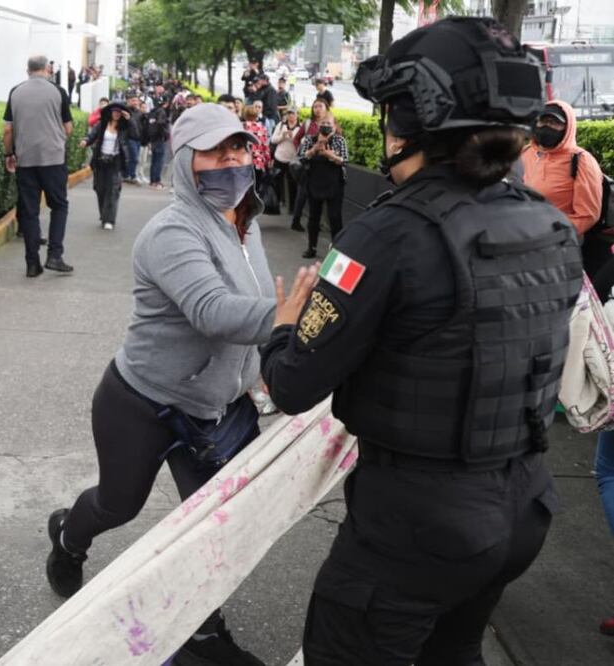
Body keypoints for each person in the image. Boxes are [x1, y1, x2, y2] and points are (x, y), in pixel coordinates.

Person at [261, 17, 579, 664]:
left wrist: (283, 328)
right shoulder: (545, 224)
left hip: (414, 526)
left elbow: (292, 386)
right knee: (454, 651)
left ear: (408, 123)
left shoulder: (388, 236)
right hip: (521, 507)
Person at [46, 102, 296, 666]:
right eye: (214, 151)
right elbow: (212, 310)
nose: (231, 160)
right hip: (143, 404)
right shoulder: (169, 231)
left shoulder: (244, 221)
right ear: (185, 161)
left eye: (237, 148)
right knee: (118, 504)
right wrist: (288, 319)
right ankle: (68, 537)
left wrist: (271, 369)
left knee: (214, 530)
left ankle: (200, 636)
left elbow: (254, 311)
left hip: (218, 412)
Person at [3, 55, 75, 277]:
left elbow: (7, 129)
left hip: (25, 160)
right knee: (59, 206)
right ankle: (54, 255)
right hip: (53, 159)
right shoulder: (58, 92)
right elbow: (69, 127)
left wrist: (10, 153)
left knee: (30, 212)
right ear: (47, 69)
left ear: (28, 70)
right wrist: (55, 141)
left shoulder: (15, 91)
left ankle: (32, 264)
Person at [521, 101, 605, 275]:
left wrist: (553, 235)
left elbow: (588, 214)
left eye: (555, 122)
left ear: (568, 127)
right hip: (524, 246)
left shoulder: (581, 160)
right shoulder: (525, 153)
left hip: (561, 249)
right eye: (542, 121)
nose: (546, 126)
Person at [80, 102, 138, 230]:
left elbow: (136, 135)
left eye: (119, 112)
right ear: (110, 113)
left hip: (115, 161)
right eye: (114, 111)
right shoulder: (102, 125)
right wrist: (85, 141)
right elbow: (92, 135)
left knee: (112, 190)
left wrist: (130, 120)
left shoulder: (124, 127)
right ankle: (104, 215)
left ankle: (109, 219)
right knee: (100, 189)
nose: (116, 114)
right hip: (100, 160)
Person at [297, 114, 347, 258]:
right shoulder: (309, 139)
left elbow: (344, 160)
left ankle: (337, 250)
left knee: (335, 217)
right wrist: (314, 150)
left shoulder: (339, 140)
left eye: (329, 123)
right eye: (323, 123)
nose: (325, 125)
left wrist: (330, 155)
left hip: (334, 184)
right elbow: (301, 157)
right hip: (314, 183)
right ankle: (311, 247)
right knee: (313, 217)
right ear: (318, 125)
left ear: (334, 125)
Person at [289, 98, 332, 232]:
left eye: (320, 106)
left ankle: (315, 222)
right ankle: (296, 220)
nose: (317, 109)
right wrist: (301, 151)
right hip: (308, 164)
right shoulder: (308, 123)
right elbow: (296, 139)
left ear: (326, 108)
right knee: (302, 193)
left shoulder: (331, 123)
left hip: (324, 164)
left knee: (318, 194)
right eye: (315, 107)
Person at [271, 108, 302, 213]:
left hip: (293, 160)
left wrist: (294, 137)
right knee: (276, 182)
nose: (291, 116)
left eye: (293, 113)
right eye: (289, 113)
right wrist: (282, 136)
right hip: (279, 157)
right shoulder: (281, 125)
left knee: (293, 184)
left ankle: (292, 208)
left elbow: (303, 143)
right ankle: (275, 205)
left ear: (297, 115)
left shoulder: (301, 127)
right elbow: (273, 140)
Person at [145, 94, 172, 191]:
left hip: (152, 138)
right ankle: (157, 180)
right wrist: (165, 134)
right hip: (159, 138)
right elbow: (161, 123)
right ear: (166, 103)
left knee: (154, 160)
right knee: (159, 160)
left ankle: (152, 180)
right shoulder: (162, 112)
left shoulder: (153, 111)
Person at [242, 103, 272, 183]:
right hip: (258, 161)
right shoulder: (262, 128)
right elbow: (265, 146)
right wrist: (268, 159)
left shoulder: (242, 127)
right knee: (257, 186)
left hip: (244, 161)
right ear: (256, 115)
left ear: (245, 115)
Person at [122, 95, 144, 184]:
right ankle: (131, 175)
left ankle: (128, 175)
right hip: (129, 138)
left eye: (136, 101)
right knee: (133, 158)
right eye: (133, 101)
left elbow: (142, 126)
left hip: (138, 138)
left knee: (134, 158)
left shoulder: (140, 113)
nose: (135, 103)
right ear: (129, 101)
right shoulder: (126, 112)